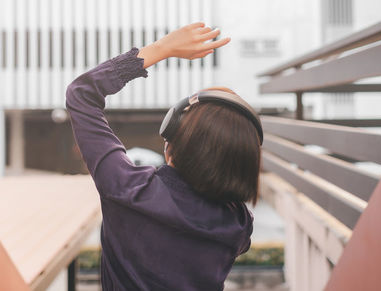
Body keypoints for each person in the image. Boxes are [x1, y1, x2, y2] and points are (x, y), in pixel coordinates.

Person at [65, 22, 262, 290]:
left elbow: (82, 94)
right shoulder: (237, 226)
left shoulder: (128, 190)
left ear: (170, 141)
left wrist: (162, 48)